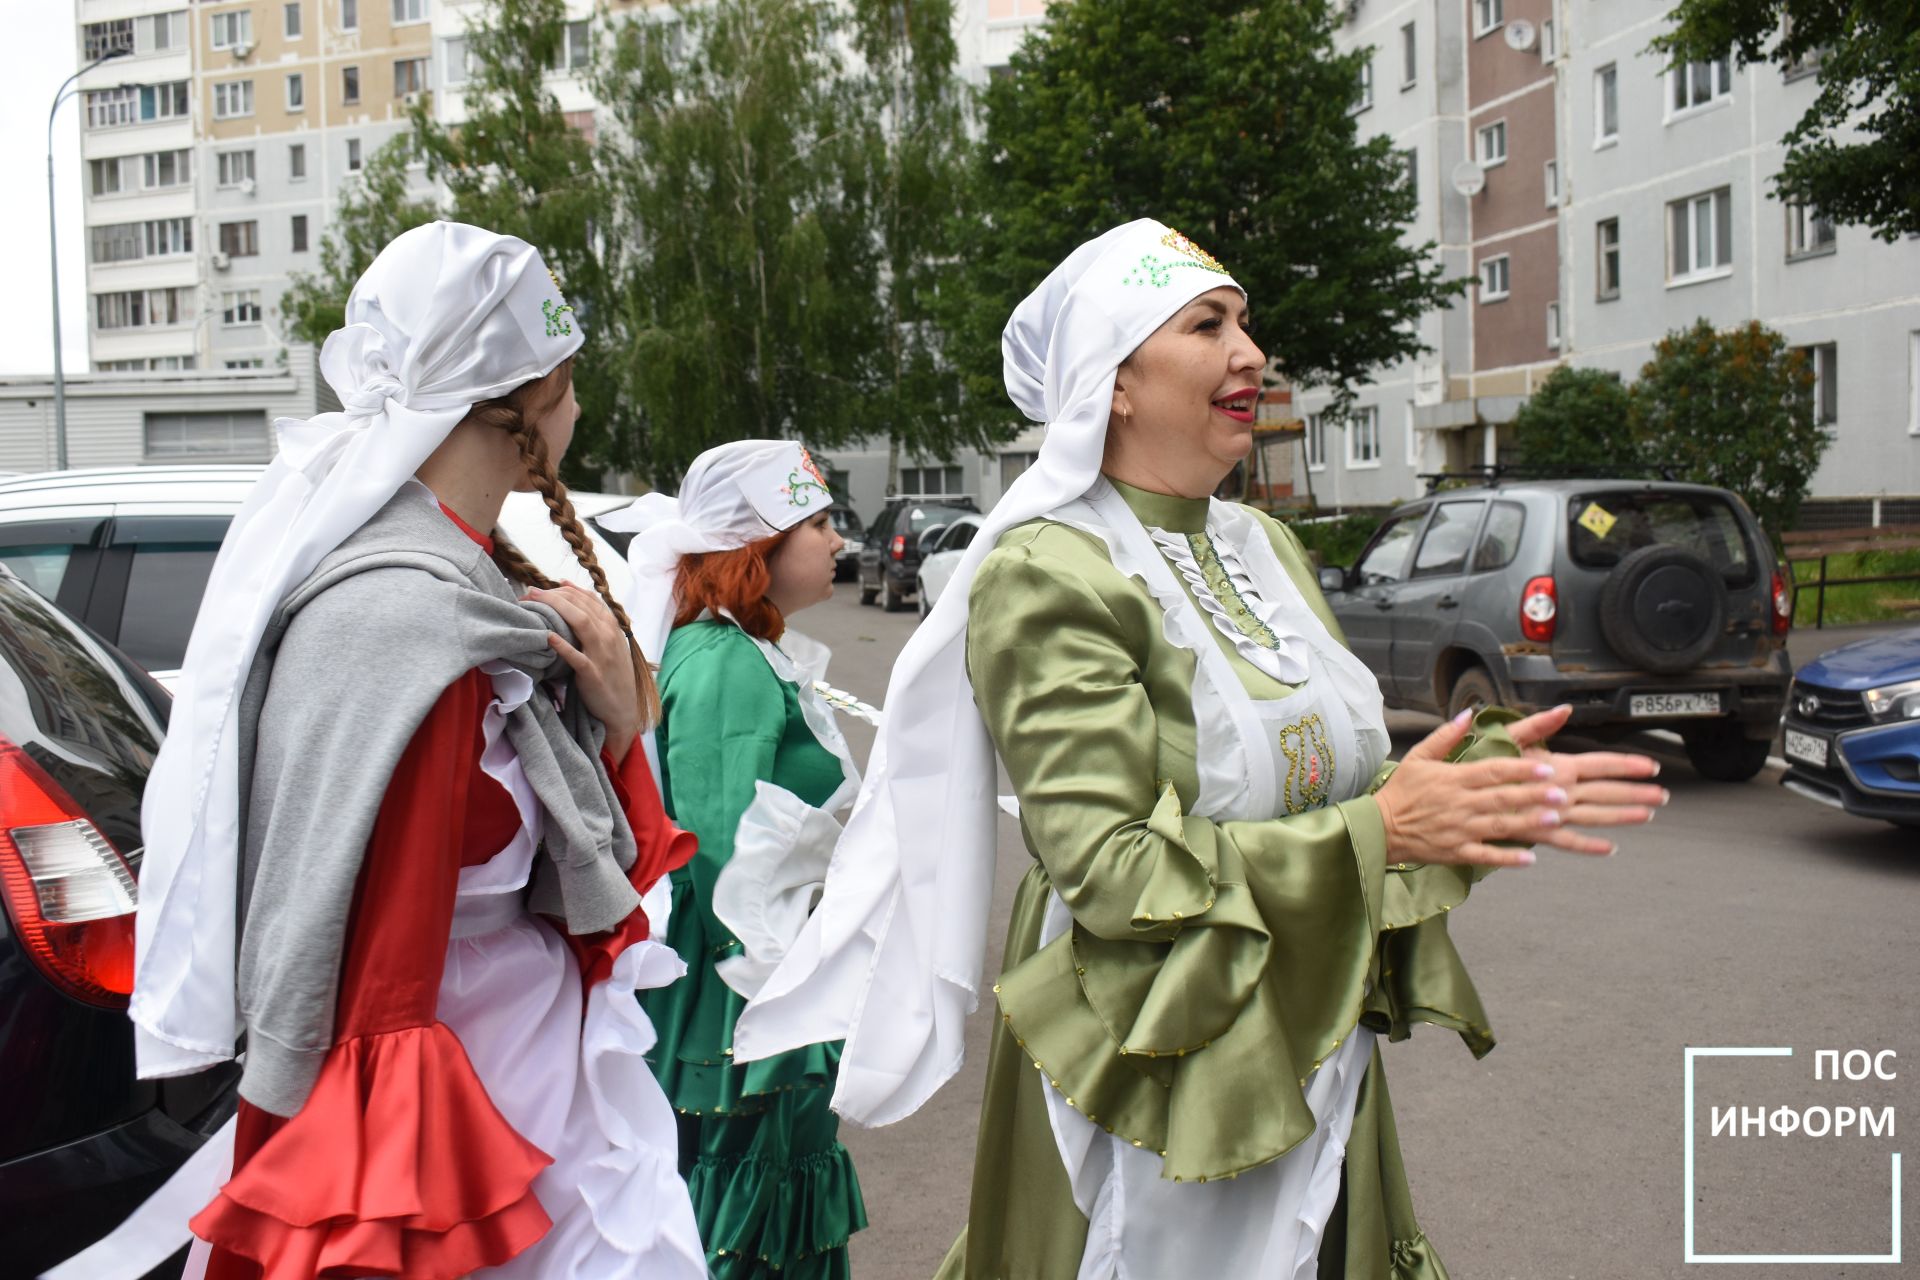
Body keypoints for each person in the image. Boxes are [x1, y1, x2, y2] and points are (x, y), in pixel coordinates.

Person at [722, 220, 1667, 1277]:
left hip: (1303, 1018)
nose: (1251, 353)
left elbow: (1334, 775)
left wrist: (1463, 783)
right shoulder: (1049, 570)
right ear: (1114, 382)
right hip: (1144, 1049)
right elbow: (1111, 868)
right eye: (1208, 324)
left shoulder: (1263, 545)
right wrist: (1380, 831)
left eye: (1248, 323)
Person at [60, 222, 706, 1280]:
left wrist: (622, 728)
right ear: (527, 400)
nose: (580, 400)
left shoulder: (453, 590)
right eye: (571, 376)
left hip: (511, 1096)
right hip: (481, 1132)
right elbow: (382, 979)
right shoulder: (414, 623)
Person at [601, 440, 869, 1279]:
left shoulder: (733, 651)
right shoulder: (724, 664)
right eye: (817, 523)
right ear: (756, 546)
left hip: (748, 985)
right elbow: (723, 858)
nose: (838, 542)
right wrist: (782, 1000)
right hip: (742, 1000)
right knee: (743, 1214)